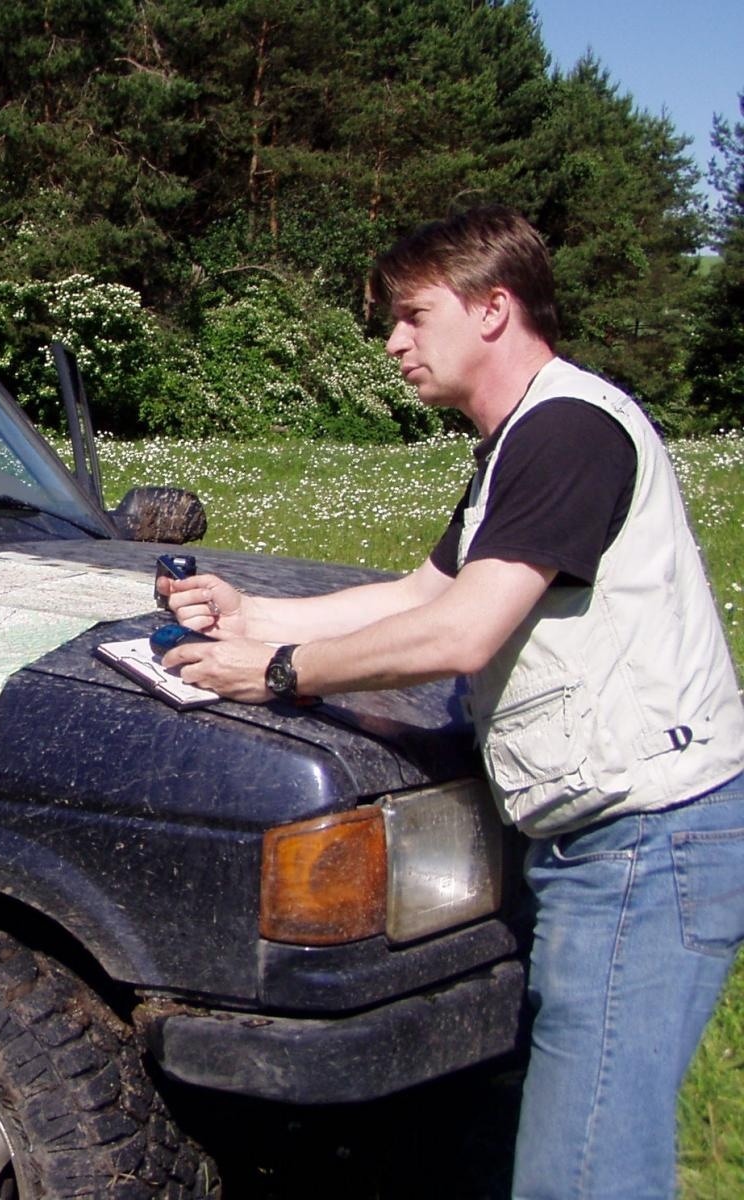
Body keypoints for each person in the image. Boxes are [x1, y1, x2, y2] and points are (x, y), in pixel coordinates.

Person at [161, 206, 744, 1200]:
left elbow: (459, 632)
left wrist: (278, 671)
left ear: (492, 310)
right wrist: (250, 612)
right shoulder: (518, 441)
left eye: (410, 315)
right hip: (599, 843)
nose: (391, 341)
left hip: (647, 846)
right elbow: (417, 593)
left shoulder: (569, 430)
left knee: (585, 1172)